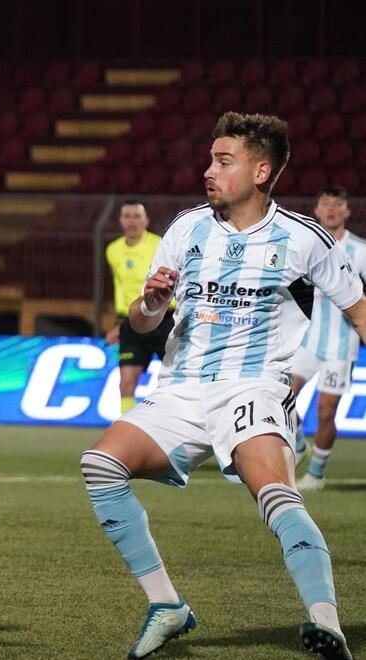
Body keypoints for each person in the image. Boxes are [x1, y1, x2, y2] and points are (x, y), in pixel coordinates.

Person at [80, 112, 359, 659]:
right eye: (210, 158)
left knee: (276, 494)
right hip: (182, 385)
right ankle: (167, 605)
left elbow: (359, 310)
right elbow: (141, 321)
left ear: (260, 171)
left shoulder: (305, 240)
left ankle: (325, 622)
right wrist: (151, 305)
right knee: (99, 464)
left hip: (253, 386)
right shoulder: (186, 228)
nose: (208, 170)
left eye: (222, 161)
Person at [291, 185, 366, 492]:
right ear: (317, 210)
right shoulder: (305, 246)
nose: (332, 209)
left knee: (325, 411)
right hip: (307, 340)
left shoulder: (360, 251)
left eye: (338, 204)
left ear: (347, 211)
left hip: (341, 344)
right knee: (280, 395)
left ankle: (317, 474)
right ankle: (297, 446)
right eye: (326, 204)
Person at [105, 200, 174, 414]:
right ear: (120, 221)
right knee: (126, 383)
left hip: (164, 319)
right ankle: (124, 427)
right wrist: (119, 323)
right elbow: (120, 287)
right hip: (132, 321)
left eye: (137, 216)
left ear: (146, 221)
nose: (131, 221)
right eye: (127, 216)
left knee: (175, 381)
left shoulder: (159, 245)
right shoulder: (113, 250)